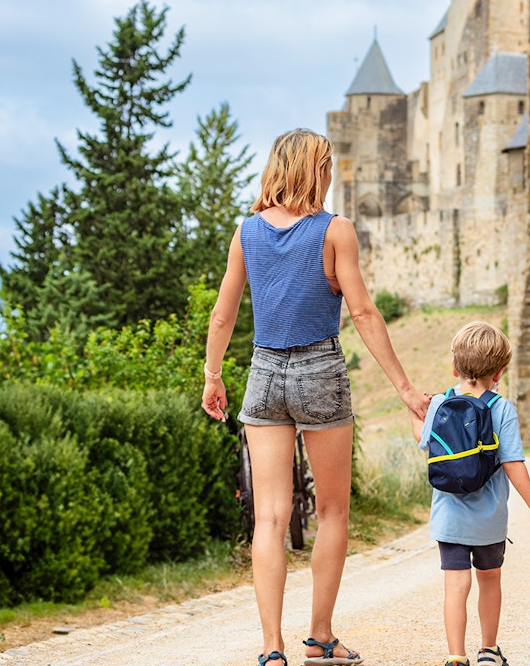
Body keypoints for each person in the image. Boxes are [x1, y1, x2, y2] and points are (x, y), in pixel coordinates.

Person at [202, 128, 430, 666]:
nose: (330, 176)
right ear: (314, 170)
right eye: (327, 166)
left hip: (262, 372)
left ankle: (271, 647)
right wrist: (404, 389)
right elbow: (363, 312)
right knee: (331, 511)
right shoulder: (335, 230)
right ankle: (320, 639)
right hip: (319, 370)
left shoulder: (245, 232)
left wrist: (213, 375)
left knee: (269, 518)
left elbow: (222, 314)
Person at [412, 321, 530, 666]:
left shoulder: (440, 404)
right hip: (489, 519)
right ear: (500, 372)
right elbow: (512, 462)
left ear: (454, 367)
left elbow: (424, 440)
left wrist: (413, 414)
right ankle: (489, 651)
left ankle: (456, 655)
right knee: (490, 579)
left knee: (455, 585)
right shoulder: (501, 408)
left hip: (448, 517)